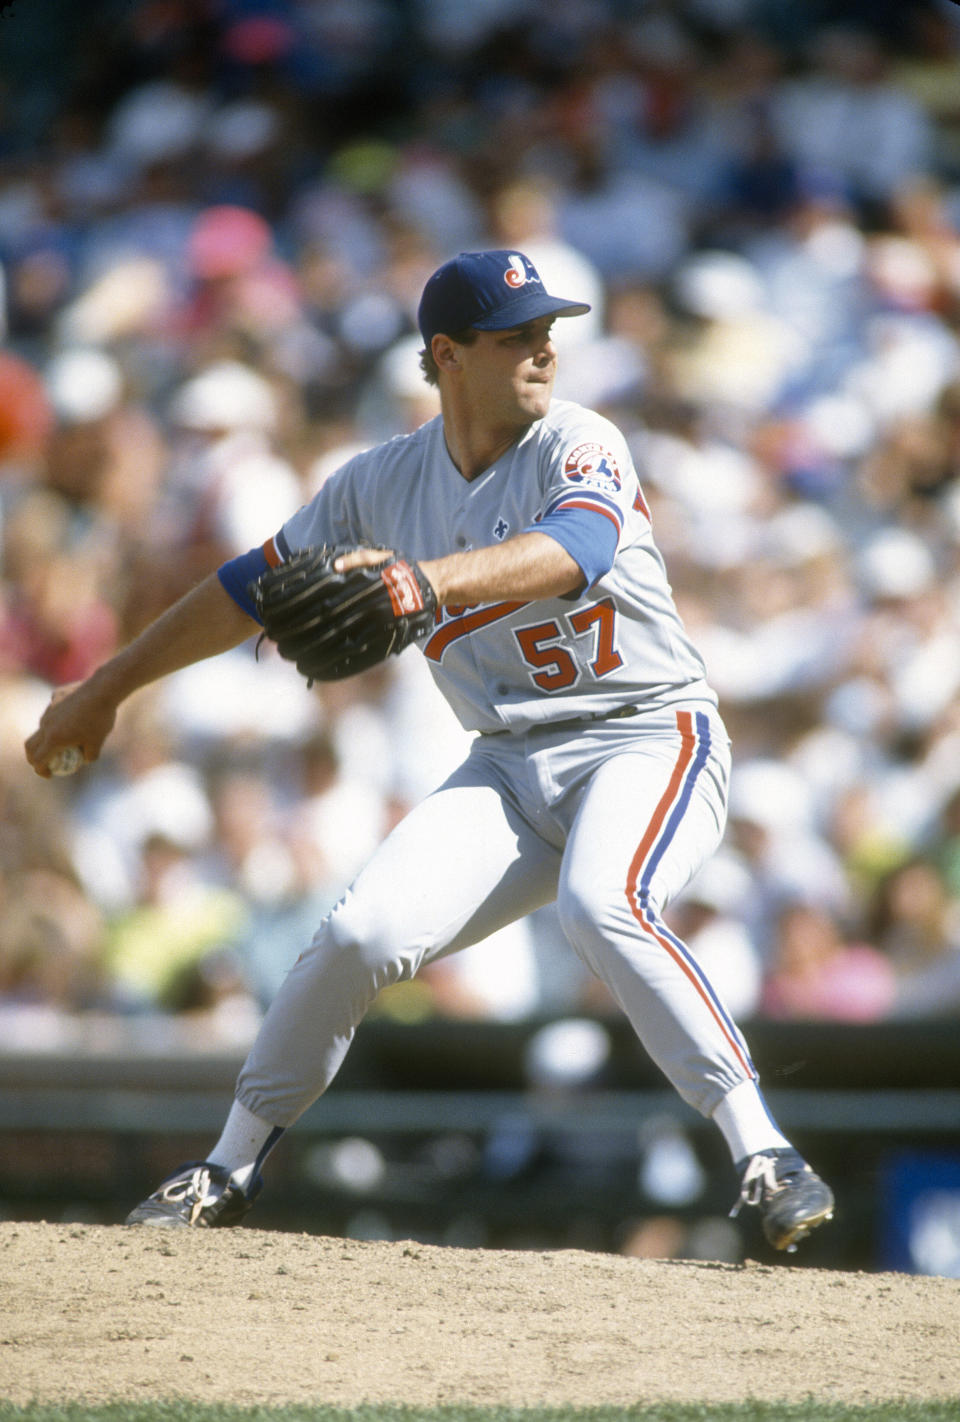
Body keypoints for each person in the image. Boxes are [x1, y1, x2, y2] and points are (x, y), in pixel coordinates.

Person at [25, 249, 834, 1252]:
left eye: (549, 328)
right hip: (507, 762)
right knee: (361, 934)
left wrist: (424, 583)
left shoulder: (580, 441)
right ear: (447, 355)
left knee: (602, 903)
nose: (544, 347)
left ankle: (763, 1155)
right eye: (515, 334)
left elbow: (574, 549)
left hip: (647, 733)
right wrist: (106, 687)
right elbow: (247, 588)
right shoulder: (381, 483)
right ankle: (225, 1166)